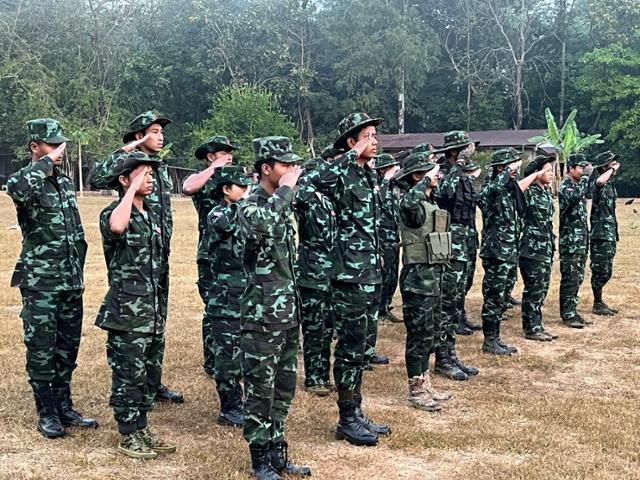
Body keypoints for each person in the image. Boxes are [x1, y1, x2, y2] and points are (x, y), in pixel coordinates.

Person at [7, 118, 97, 439]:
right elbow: (15, 189)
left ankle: (64, 405)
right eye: (52, 144)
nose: (60, 150)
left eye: (61, 144)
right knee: (42, 347)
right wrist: (44, 164)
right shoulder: (26, 180)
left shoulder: (64, 180)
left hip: (71, 280)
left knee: (67, 347)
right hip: (42, 281)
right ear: (35, 147)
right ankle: (46, 411)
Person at [91, 111, 183, 403]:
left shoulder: (159, 167)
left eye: (161, 132)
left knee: (157, 322)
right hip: (132, 255)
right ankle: (136, 389)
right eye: (153, 131)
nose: (160, 136)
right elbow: (97, 176)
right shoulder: (126, 164)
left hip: (157, 253)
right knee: (137, 324)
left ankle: (153, 385)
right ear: (138, 135)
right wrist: (132, 147)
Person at [311, 113, 390, 447]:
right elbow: (312, 179)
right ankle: (345, 418)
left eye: (374, 135)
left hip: (369, 271)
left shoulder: (368, 175)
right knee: (349, 345)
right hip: (348, 275)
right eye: (367, 135)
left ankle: (356, 411)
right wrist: (348, 154)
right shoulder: (341, 172)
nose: (374, 141)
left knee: (361, 348)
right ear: (351, 141)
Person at [95, 151, 176, 459]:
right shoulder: (113, 212)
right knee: (128, 374)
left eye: (151, 175)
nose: (150, 179)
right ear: (124, 179)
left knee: (148, 375)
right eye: (144, 175)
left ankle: (142, 427)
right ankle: (128, 434)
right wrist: (130, 190)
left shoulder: (152, 215)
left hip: (152, 311)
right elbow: (117, 228)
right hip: (126, 314)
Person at [238, 137, 310, 480]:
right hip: (261, 315)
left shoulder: (282, 203)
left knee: (284, 386)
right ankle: (259, 460)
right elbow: (261, 225)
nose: (291, 171)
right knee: (259, 389)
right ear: (266, 169)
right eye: (285, 165)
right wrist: (286, 191)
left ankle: (278, 450)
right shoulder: (249, 204)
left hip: (286, 312)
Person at [396, 152, 453, 412]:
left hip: (433, 277)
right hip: (418, 279)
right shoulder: (412, 205)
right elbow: (407, 203)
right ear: (419, 176)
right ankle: (416, 390)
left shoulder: (429, 202)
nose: (437, 175)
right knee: (418, 336)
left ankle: (425, 382)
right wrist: (421, 182)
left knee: (429, 334)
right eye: (432, 172)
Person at [477, 148, 544, 355]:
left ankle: (495, 338)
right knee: (493, 296)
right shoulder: (492, 189)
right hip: (496, 251)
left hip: (508, 250)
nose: (516, 169)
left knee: (501, 297)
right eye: (511, 166)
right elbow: (493, 188)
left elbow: (517, 188)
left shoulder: (508, 189)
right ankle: (489, 340)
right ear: (499, 168)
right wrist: (506, 170)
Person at [182, 136, 236, 378]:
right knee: (213, 307)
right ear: (211, 156)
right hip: (210, 254)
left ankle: (230, 358)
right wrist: (213, 168)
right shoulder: (203, 179)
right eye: (224, 153)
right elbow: (187, 188)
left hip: (234, 254)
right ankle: (212, 361)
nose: (230, 156)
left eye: (230, 153)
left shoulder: (233, 179)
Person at [205, 166, 252, 427]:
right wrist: (246, 202)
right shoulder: (219, 212)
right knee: (228, 353)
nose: (246, 192)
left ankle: (239, 401)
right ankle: (229, 406)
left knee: (243, 350)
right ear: (226, 189)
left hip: (246, 291)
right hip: (226, 295)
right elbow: (225, 223)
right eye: (241, 187)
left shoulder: (243, 211)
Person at [433, 131, 481, 381]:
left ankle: (450, 353)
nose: (468, 152)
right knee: (445, 303)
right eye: (463, 150)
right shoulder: (442, 171)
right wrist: (459, 164)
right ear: (454, 151)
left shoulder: (461, 175)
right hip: (447, 242)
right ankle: (441, 358)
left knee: (455, 302)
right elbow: (444, 193)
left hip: (464, 242)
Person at [293, 153, 337, 397]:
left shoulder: (327, 201)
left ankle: (323, 373)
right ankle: (313, 377)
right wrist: (307, 176)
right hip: (311, 272)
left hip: (329, 270)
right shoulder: (306, 198)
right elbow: (297, 195)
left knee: (327, 327)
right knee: (314, 327)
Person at [519, 155, 558, 341]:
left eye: (551, 170)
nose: (550, 174)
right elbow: (516, 190)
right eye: (547, 170)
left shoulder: (545, 193)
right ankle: (531, 328)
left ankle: (537, 324)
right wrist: (535, 175)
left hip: (545, 247)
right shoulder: (529, 192)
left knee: (542, 288)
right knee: (533, 288)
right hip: (531, 248)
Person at [559, 154, 593, 328]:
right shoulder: (567, 187)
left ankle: (573, 310)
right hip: (570, 241)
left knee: (578, 277)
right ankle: (567, 313)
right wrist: (586, 177)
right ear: (570, 168)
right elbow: (574, 197)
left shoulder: (578, 186)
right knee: (570, 278)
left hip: (580, 240)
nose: (583, 170)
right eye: (580, 167)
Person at [589, 151, 621, 316]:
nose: (615, 165)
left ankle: (600, 302)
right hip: (600, 234)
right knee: (600, 269)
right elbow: (600, 180)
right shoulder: (599, 183)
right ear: (604, 167)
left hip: (608, 233)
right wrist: (612, 170)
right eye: (612, 163)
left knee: (607, 270)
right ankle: (597, 303)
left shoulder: (610, 185)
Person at [373, 153, 401, 328]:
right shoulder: (377, 186)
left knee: (392, 275)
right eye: (391, 167)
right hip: (382, 239)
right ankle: (378, 309)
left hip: (394, 238)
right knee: (383, 275)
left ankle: (386, 306)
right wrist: (385, 180)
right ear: (383, 170)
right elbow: (379, 201)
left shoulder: (393, 187)